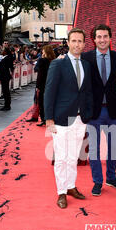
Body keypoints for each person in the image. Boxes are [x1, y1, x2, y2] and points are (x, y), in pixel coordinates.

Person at [44, 28, 94, 209]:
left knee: (74, 157)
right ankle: (61, 192)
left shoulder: (86, 65)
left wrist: (88, 114)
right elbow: (49, 92)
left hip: (80, 119)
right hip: (61, 118)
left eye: (80, 41)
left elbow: (87, 92)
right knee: (62, 158)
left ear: (84, 43)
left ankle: (71, 186)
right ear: (68, 42)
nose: (77, 44)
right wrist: (48, 118)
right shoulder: (58, 64)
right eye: (74, 41)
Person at [82, 24, 116, 196]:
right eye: (99, 37)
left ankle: (111, 177)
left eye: (105, 36)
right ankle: (97, 181)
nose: (102, 40)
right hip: (94, 111)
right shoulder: (86, 57)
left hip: (112, 110)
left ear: (110, 38)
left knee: (113, 147)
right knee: (94, 149)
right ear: (94, 39)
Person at [35, 44, 56, 125]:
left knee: (41, 102)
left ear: (45, 51)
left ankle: (44, 119)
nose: (42, 51)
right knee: (49, 102)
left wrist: (37, 86)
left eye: (43, 50)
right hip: (50, 83)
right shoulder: (53, 60)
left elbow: (38, 71)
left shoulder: (42, 60)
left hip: (42, 84)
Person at [0, 46, 14, 111]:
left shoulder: (7, 58)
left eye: (3, 50)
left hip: (5, 76)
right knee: (5, 91)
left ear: (6, 51)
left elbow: (5, 67)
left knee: (5, 91)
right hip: (5, 76)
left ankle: (7, 105)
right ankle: (7, 105)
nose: (2, 51)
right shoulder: (6, 57)